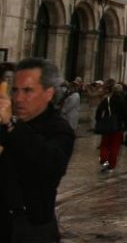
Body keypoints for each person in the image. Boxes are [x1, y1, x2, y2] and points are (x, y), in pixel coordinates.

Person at [0, 57, 76, 243]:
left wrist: (11, 125)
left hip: (30, 230)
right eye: (15, 90)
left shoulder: (58, 129)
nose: (18, 98)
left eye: (27, 91)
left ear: (48, 93)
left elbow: (49, 163)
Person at [95, 83, 127, 172]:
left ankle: (104, 161)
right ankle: (111, 165)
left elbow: (99, 111)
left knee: (105, 145)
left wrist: (99, 120)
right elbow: (126, 115)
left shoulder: (107, 100)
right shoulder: (123, 101)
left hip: (107, 125)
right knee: (115, 146)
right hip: (118, 127)